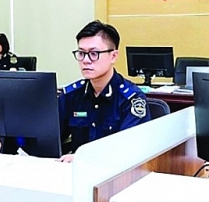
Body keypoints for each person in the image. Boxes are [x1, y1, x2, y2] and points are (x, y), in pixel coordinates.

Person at [58, 20, 150, 162]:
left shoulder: (130, 99)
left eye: (94, 53)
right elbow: (51, 140)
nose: (86, 60)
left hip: (115, 177)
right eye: (81, 53)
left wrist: (84, 159)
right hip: (75, 175)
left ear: (113, 56)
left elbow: (130, 150)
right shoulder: (71, 95)